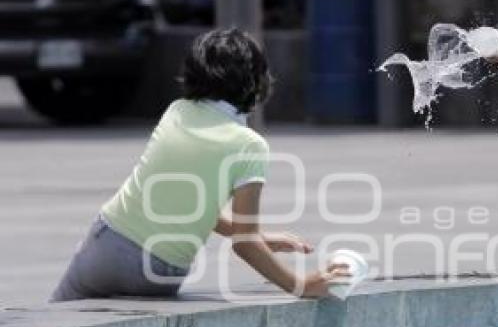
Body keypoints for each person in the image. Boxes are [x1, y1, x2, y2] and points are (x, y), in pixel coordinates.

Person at [50, 28, 347, 302]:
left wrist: (254, 236)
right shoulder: (249, 144)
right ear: (256, 82)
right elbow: (245, 244)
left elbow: (189, 203)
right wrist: (303, 285)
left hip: (107, 244)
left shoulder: (176, 112)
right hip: (157, 268)